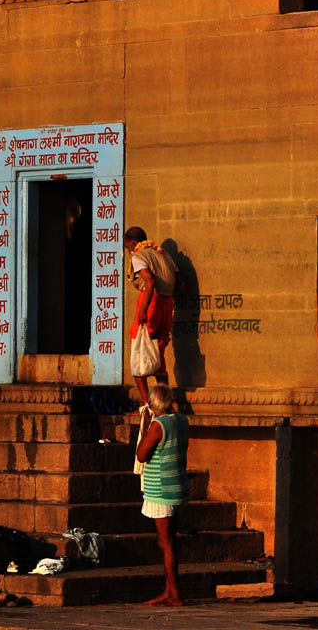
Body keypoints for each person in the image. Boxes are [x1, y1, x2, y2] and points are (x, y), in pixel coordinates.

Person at [136, 384, 189, 607]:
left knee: (166, 542)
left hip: (161, 489)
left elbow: (141, 454)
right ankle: (169, 591)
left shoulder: (159, 425)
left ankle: (175, 594)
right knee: (169, 542)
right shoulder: (181, 420)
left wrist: (148, 424)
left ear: (152, 404)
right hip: (177, 486)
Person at [124, 226, 183, 410]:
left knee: (137, 355)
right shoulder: (164, 255)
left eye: (127, 246)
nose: (128, 251)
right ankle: (165, 406)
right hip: (168, 305)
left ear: (133, 242)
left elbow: (149, 281)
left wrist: (143, 310)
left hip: (151, 303)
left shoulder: (139, 255)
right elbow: (181, 284)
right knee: (158, 357)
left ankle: (147, 407)